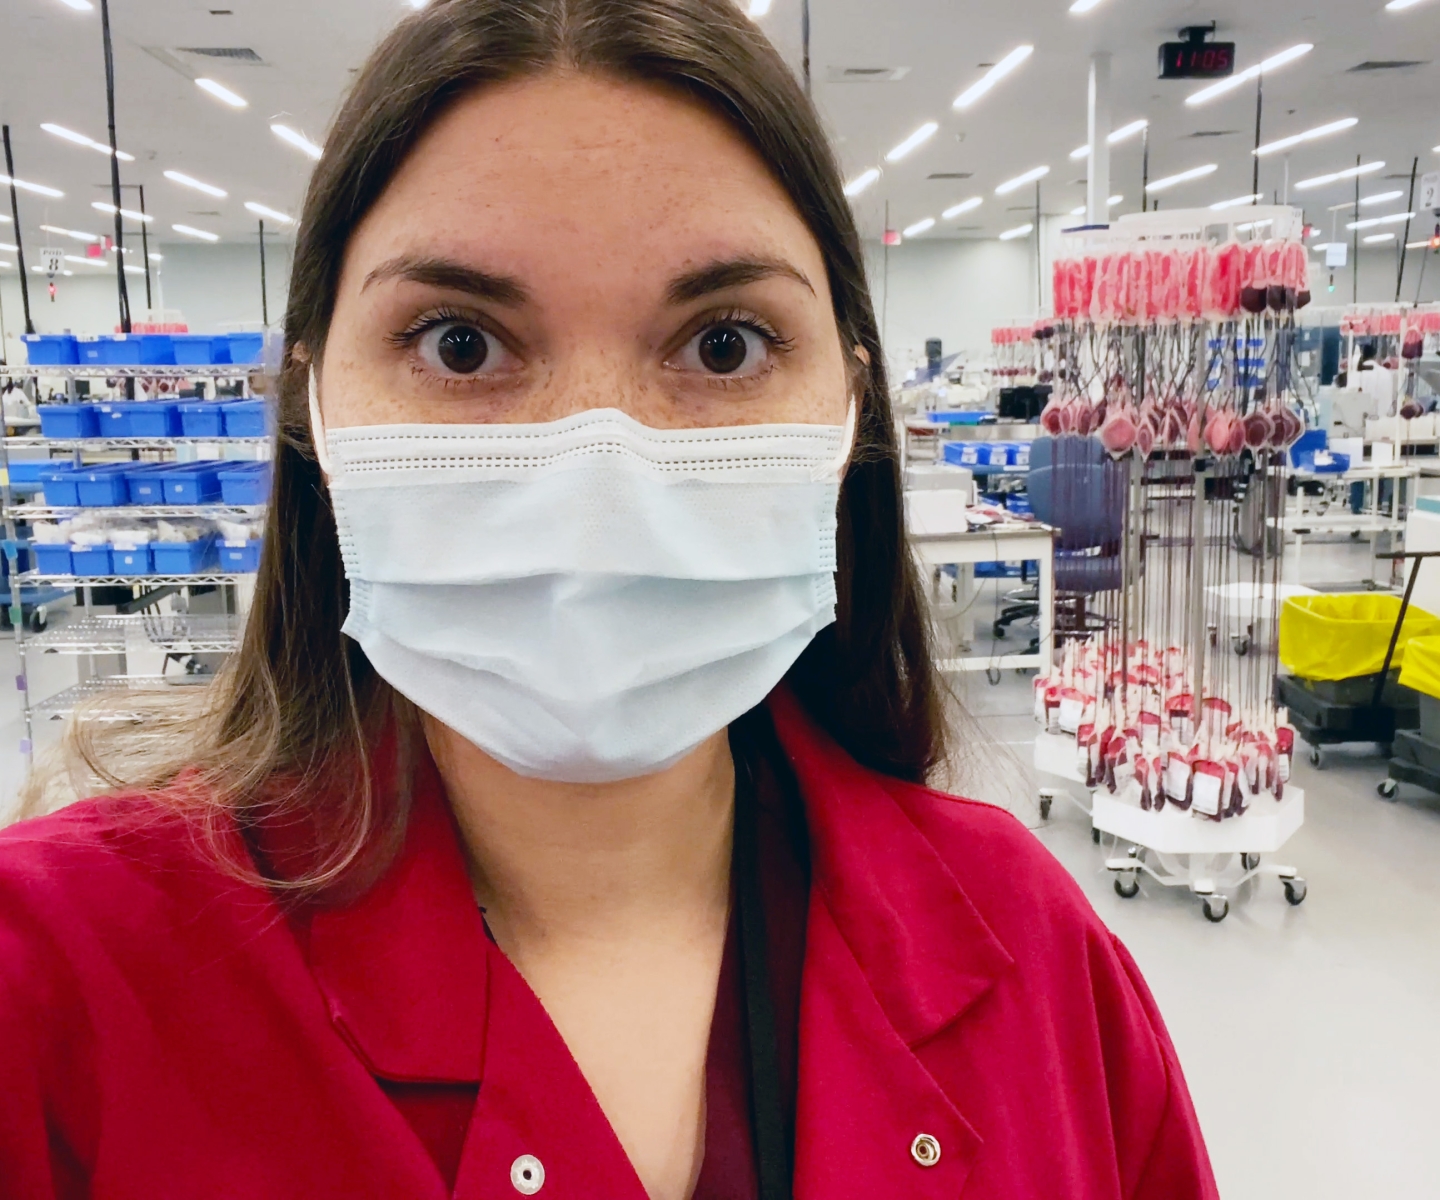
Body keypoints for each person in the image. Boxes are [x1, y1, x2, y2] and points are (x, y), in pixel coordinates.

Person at [0, 2, 1219, 1197]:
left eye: (725, 344)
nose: (599, 472)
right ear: (314, 410)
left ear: (850, 412)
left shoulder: (1036, 953)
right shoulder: (52, 987)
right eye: (458, 343)